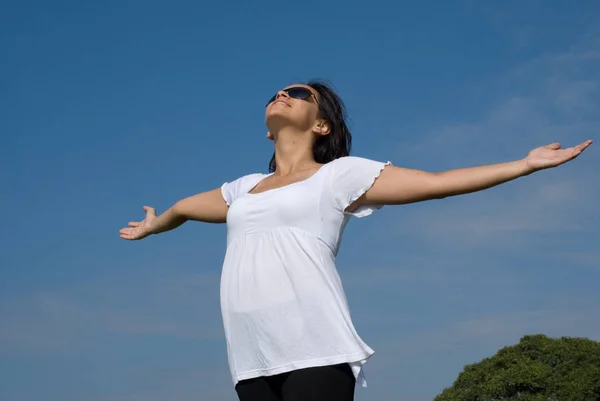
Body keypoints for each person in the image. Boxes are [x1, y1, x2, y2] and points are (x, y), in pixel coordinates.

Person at [119, 80, 592, 401]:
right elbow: (183, 207)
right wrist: (154, 225)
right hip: (250, 358)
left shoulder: (339, 176)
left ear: (320, 124)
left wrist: (523, 164)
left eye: (299, 94)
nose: (283, 93)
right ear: (267, 128)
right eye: (278, 92)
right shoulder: (242, 190)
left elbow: (437, 181)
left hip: (315, 348)